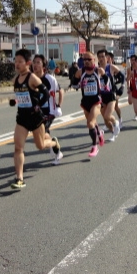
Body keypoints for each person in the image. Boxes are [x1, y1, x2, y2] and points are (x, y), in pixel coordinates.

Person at [10, 49, 62, 189]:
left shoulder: (32, 78)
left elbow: (45, 93)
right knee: (18, 148)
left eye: (20, 61)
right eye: (16, 61)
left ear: (27, 63)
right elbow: (21, 96)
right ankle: (20, 178)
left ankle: (53, 143)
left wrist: (38, 106)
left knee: (40, 146)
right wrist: (14, 102)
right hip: (22, 118)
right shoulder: (15, 79)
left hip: (36, 118)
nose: (17, 64)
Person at [33, 54, 64, 165]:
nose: (35, 64)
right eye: (34, 62)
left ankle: (54, 147)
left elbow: (61, 90)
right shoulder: (31, 78)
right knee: (43, 134)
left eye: (38, 62)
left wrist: (59, 105)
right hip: (37, 112)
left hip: (49, 111)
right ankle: (55, 147)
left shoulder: (50, 79)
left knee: (41, 135)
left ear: (43, 66)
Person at [73, 51, 105, 157]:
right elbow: (73, 84)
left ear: (94, 60)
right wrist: (79, 84)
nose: (86, 61)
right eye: (84, 59)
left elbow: (107, 80)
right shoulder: (80, 72)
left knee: (90, 123)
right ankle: (99, 133)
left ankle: (94, 147)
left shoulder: (98, 70)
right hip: (85, 102)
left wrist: (107, 87)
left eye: (89, 59)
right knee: (92, 122)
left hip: (96, 101)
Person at [97, 49, 122, 141]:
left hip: (111, 95)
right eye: (99, 57)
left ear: (107, 58)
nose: (101, 59)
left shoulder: (111, 67)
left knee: (108, 116)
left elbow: (122, 77)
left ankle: (116, 123)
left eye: (103, 56)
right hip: (102, 96)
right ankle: (113, 133)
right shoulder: (97, 70)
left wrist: (121, 88)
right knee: (105, 119)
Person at [106, 51, 125, 129]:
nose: (107, 59)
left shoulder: (112, 67)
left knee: (115, 106)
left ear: (111, 59)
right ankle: (108, 122)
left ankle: (120, 120)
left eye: (108, 57)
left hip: (113, 89)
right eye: (105, 57)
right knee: (105, 107)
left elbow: (122, 76)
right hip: (104, 90)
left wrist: (122, 86)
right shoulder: (101, 67)